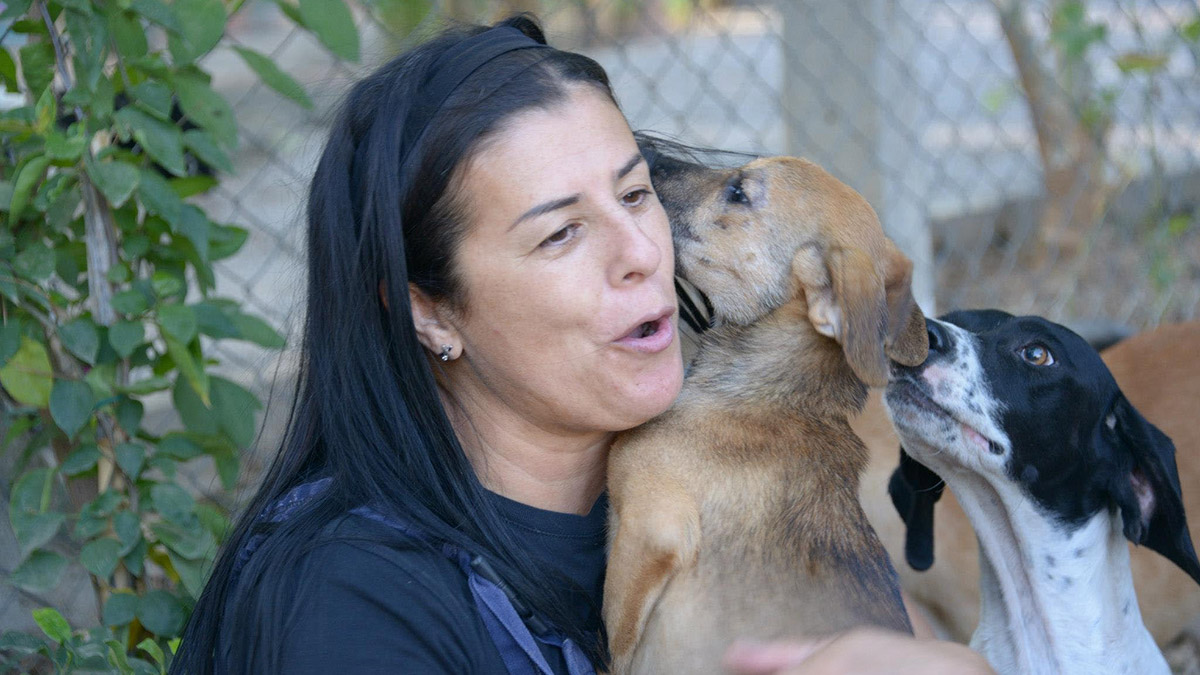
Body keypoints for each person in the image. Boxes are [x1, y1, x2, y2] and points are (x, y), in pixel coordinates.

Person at [172, 14, 990, 675]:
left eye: (637, 193)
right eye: (561, 233)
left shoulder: (742, 497)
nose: (642, 250)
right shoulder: (352, 608)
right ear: (429, 311)